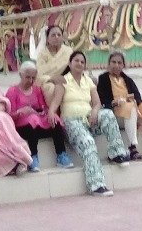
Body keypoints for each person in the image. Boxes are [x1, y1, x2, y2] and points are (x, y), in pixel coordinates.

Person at [48, 51, 129, 197]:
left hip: (89, 120)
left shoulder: (88, 81)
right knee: (88, 142)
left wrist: (95, 111)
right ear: (70, 63)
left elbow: (97, 103)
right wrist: (51, 112)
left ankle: (116, 153)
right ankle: (96, 185)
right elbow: (55, 102)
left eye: (82, 62)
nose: (79, 63)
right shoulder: (63, 81)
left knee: (108, 114)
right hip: (72, 123)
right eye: (76, 61)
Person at [6, 60, 72, 171]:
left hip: (37, 124)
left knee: (54, 118)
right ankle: (33, 157)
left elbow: (43, 107)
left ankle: (61, 154)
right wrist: (21, 111)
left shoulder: (37, 89)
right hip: (23, 127)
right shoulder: (13, 91)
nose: (31, 81)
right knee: (32, 119)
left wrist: (41, 111)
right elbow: (9, 115)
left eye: (33, 78)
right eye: (28, 77)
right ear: (21, 75)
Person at [96, 51, 142, 160]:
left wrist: (131, 100)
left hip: (132, 111)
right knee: (129, 107)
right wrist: (115, 102)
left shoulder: (127, 79)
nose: (116, 65)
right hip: (116, 114)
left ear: (123, 65)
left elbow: (138, 98)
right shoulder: (103, 79)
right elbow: (102, 99)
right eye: (113, 62)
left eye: (119, 63)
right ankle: (132, 147)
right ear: (109, 63)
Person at [34, 24, 74, 107]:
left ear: (62, 38)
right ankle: (53, 113)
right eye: (53, 35)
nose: (56, 37)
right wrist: (52, 78)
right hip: (48, 81)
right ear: (48, 39)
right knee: (51, 88)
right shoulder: (42, 54)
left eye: (59, 35)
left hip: (66, 79)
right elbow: (39, 74)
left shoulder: (68, 51)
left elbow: (74, 69)